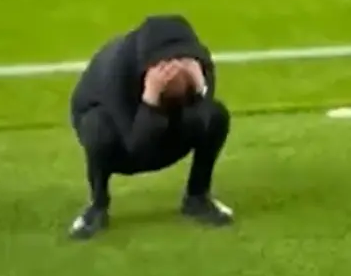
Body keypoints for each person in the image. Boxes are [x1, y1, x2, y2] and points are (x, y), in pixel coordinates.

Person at [67, 15, 232, 240]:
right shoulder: (116, 69)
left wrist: (201, 89)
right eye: (166, 64)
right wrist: (151, 98)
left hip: (161, 128)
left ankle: (197, 197)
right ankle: (97, 205)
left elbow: (204, 122)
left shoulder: (198, 65)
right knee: (97, 127)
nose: (174, 68)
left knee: (216, 115)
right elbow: (137, 147)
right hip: (123, 140)